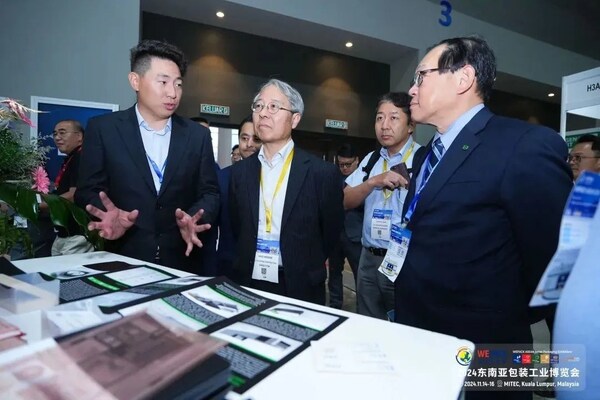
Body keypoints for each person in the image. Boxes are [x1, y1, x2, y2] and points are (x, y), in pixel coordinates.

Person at [395, 36, 572, 399]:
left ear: (463, 78)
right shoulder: (426, 154)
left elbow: (552, 257)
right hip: (421, 333)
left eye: (421, 76)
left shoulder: (523, 145)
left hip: (487, 344)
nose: (411, 89)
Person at [75, 39, 219, 272]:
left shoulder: (197, 135)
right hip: (123, 255)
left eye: (178, 84)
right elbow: (87, 190)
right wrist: (108, 214)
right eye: (163, 82)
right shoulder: (104, 129)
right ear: (135, 81)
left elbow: (210, 192)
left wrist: (194, 218)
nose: (173, 93)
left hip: (182, 259)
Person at [229, 79, 344, 304]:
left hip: (301, 284)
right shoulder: (240, 172)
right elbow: (237, 226)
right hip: (249, 280)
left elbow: (330, 233)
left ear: (295, 119)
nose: (263, 113)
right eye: (258, 106)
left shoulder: (321, 173)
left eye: (274, 106)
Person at [343, 92, 421, 319]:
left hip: (403, 258)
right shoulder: (372, 159)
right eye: (379, 118)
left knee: (404, 322)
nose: (384, 125)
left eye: (393, 118)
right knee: (368, 321)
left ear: (411, 125)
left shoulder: (422, 159)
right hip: (368, 257)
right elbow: (345, 200)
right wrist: (373, 182)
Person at [214, 116, 262, 278]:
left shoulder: (275, 179)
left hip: (265, 267)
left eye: (256, 139)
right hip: (229, 264)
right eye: (244, 138)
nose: (249, 144)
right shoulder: (222, 177)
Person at [48, 120, 93, 255]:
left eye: (62, 133)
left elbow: (74, 195)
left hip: (77, 235)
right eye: (55, 134)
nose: (57, 137)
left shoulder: (82, 158)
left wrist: (42, 204)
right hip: (64, 233)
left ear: (79, 136)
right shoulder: (72, 158)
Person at [327, 143, 363, 309]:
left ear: (357, 161)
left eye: (348, 164)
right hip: (335, 234)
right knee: (334, 273)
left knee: (359, 276)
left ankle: (362, 308)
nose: (344, 168)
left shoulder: (364, 179)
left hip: (355, 235)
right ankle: (335, 305)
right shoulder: (332, 177)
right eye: (341, 164)